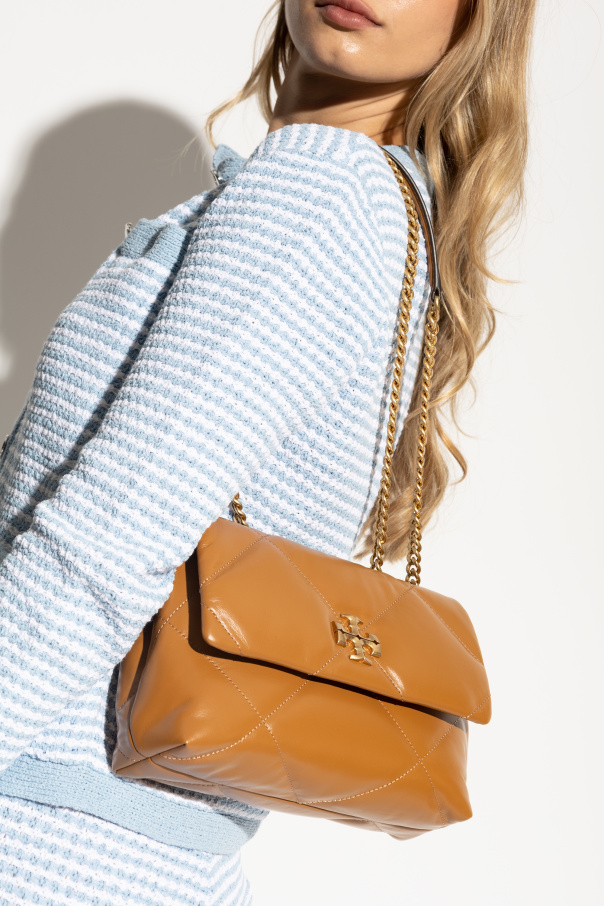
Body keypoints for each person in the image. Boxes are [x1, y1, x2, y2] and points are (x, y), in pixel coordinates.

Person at [0, 1, 536, 902]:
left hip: (44, 844)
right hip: (134, 853)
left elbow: (108, 537)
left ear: (479, 16)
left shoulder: (324, 185)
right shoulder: (389, 210)